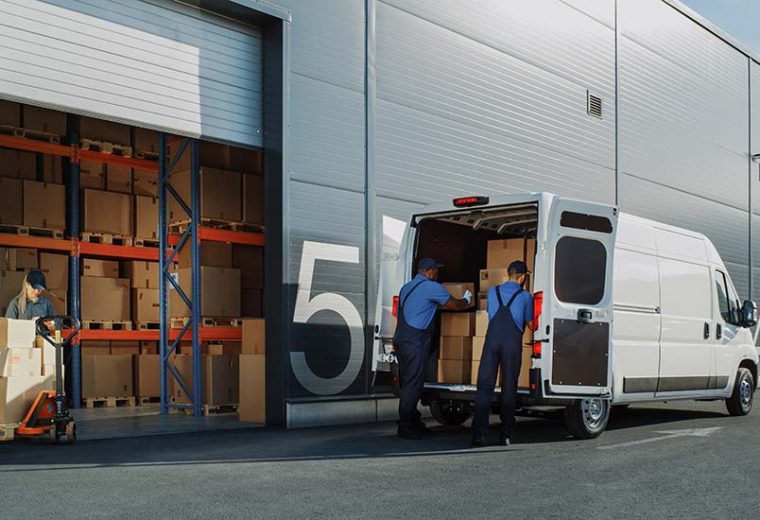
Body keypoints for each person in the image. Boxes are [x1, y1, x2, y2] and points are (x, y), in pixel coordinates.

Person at [394, 258, 473, 440]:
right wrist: (466, 299)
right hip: (415, 342)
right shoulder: (432, 287)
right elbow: (453, 305)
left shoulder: (407, 287)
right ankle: (406, 426)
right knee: (412, 385)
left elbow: (422, 308)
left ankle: (413, 421)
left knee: (409, 383)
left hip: (402, 339)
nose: (438, 274)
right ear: (429, 271)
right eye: (436, 271)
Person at [471, 260, 534, 447]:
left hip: (491, 342)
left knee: (484, 386)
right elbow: (531, 324)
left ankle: (479, 434)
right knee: (508, 388)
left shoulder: (493, 292)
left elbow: (491, 314)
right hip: (511, 344)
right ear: (522, 277)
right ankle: (505, 434)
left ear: (508, 274)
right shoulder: (525, 296)